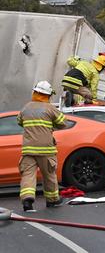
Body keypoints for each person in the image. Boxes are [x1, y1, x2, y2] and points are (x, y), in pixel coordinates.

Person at [17, 81, 67, 212]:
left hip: (28, 149)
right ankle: (52, 200)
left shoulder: (26, 107)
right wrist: (50, 126)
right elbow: (63, 123)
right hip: (46, 150)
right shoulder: (49, 108)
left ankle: (27, 200)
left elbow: (19, 122)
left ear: (35, 92)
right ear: (48, 95)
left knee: (28, 175)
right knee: (49, 175)